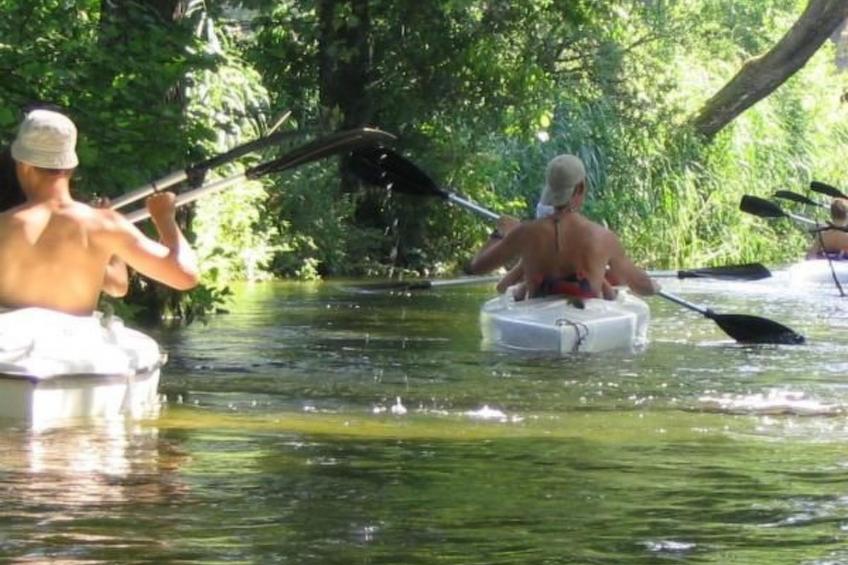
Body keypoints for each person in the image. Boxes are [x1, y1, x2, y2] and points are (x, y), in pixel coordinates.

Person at [0, 108, 199, 315]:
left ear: (23, 166)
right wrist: (164, 219)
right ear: (71, 167)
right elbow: (185, 276)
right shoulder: (106, 224)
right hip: (75, 336)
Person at [468, 154, 657, 300]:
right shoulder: (604, 238)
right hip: (586, 321)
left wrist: (500, 232)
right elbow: (642, 286)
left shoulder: (525, 233)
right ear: (581, 187)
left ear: (550, 188)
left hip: (540, 320)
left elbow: (477, 267)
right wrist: (654, 286)